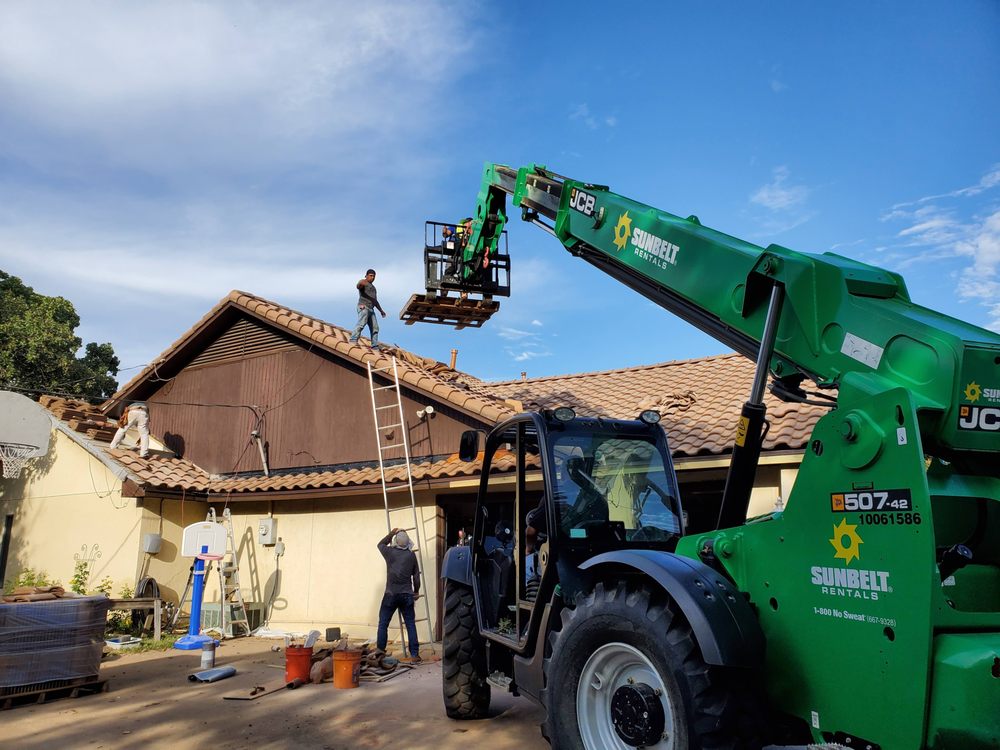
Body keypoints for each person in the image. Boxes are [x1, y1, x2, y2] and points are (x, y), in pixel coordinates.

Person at [376, 527, 422, 663]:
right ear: (408, 543)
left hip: (391, 594)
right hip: (407, 595)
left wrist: (392, 533)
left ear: (396, 541)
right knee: (410, 624)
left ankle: (380, 652)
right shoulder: (411, 555)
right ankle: (414, 655)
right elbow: (416, 577)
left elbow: (380, 544)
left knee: (383, 623)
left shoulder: (389, 552)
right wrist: (416, 591)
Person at [348, 269, 387, 350]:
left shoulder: (373, 288)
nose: (372, 277)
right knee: (362, 323)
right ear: (366, 276)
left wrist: (381, 310)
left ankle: (374, 345)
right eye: (370, 275)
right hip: (363, 306)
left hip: (371, 309)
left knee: (375, 328)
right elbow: (358, 286)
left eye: (374, 276)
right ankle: (353, 339)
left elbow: (375, 301)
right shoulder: (363, 282)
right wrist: (363, 282)